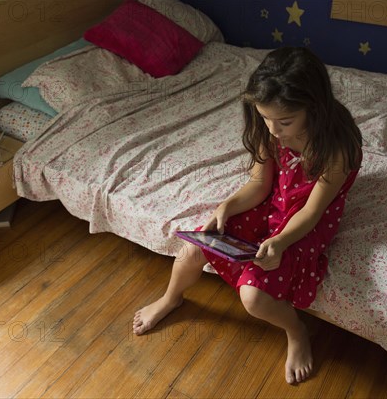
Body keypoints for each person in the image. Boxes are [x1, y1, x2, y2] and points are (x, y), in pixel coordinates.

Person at [133, 47, 363, 384]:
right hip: (275, 202)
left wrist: (281, 241)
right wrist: (225, 207)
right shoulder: (267, 128)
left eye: (284, 122)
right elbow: (259, 183)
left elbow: (313, 212)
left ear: (314, 107)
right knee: (194, 248)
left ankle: (296, 330)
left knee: (253, 298)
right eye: (265, 118)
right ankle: (171, 298)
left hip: (304, 222)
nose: (273, 130)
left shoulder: (335, 146)